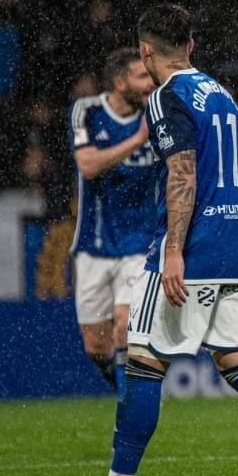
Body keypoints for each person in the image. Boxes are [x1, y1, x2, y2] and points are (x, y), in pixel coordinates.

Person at [63, 4, 238, 476]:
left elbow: (182, 174)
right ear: (191, 45)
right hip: (235, 244)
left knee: (142, 364)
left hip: (192, 248)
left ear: (145, 51)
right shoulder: (221, 94)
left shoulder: (165, 98)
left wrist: (176, 250)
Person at [68, 47, 156, 394]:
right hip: (94, 243)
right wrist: (136, 141)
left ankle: (130, 417)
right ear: (120, 82)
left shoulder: (158, 114)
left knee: (125, 328)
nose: (150, 84)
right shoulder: (86, 111)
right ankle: (124, 387)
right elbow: (87, 166)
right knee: (97, 347)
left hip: (140, 243)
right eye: (142, 77)